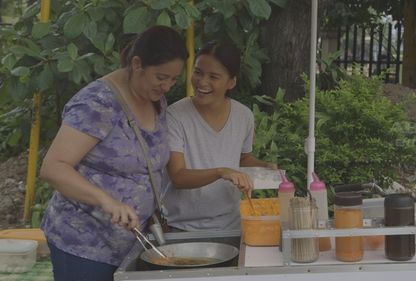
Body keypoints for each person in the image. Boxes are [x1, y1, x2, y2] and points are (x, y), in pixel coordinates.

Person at [39, 25, 187, 281]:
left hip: (132, 242)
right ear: (137, 64)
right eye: (161, 77)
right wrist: (106, 201)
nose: (167, 86)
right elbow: (53, 167)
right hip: (84, 245)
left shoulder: (154, 98)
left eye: (174, 79)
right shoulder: (96, 103)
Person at [162, 40, 276, 231]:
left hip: (232, 226)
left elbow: (242, 158)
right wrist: (221, 172)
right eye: (198, 72)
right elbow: (178, 177)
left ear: (231, 82)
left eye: (213, 77)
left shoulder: (244, 115)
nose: (202, 82)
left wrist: (265, 167)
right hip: (182, 228)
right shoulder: (175, 115)